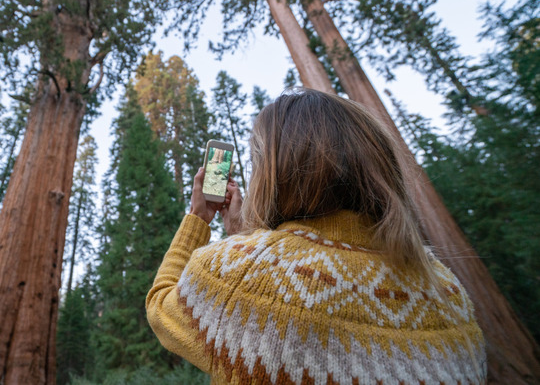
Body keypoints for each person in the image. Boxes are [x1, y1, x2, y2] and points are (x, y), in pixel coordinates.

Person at [146, 88, 486, 384]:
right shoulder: (447, 290)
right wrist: (245, 236)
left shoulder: (240, 273)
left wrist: (199, 217)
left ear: (273, 172)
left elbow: (161, 305)